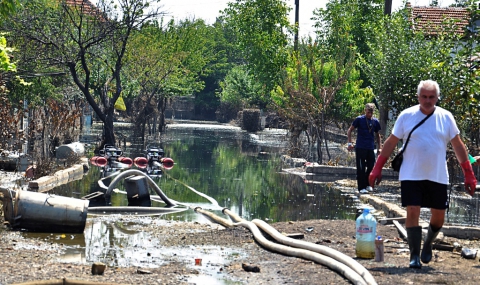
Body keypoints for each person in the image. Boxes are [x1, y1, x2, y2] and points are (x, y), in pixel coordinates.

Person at [368, 80, 477, 269]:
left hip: (437, 174)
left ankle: (428, 243)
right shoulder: (406, 116)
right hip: (412, 173)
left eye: (431, 97)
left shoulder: (446, 117)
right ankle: (414, 255)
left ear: (437, 97)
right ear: (418, 97)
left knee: (439, 216)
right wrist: (377, 168)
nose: (427, 101)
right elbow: (391, 142)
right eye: (424, 97)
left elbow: (458, 145)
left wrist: (469, 173)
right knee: (412, 210)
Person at [347, 103, 382, 194]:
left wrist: (380, 148)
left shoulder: (375, 121)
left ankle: (367, 185)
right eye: (368, 112)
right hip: (360, 147)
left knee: (371, 166)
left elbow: (378, 135)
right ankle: (361, 187)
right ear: (365, 110)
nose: (369, 114)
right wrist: (350, 143)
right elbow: (350, 130)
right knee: (361, 168)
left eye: (371, 112)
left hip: (370, 147)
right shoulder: (359, 119)